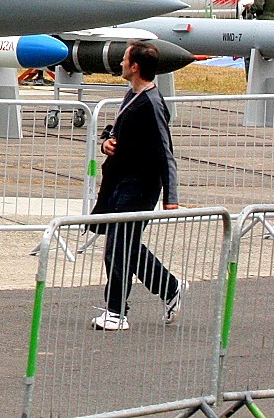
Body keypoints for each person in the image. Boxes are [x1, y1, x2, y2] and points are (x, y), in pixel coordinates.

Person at [89, 41, 183, 331]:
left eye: (124, 60)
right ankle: (170, 287)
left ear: (135, 67)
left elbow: (166, 151)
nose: (120, 64)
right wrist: (106, 141)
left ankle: (116, 312)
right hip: (120, 183)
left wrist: (171, 196)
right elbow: (116, 128)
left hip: (140, 186)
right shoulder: (132, 95)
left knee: (117, 248)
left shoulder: (152, 103)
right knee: (124, 246)